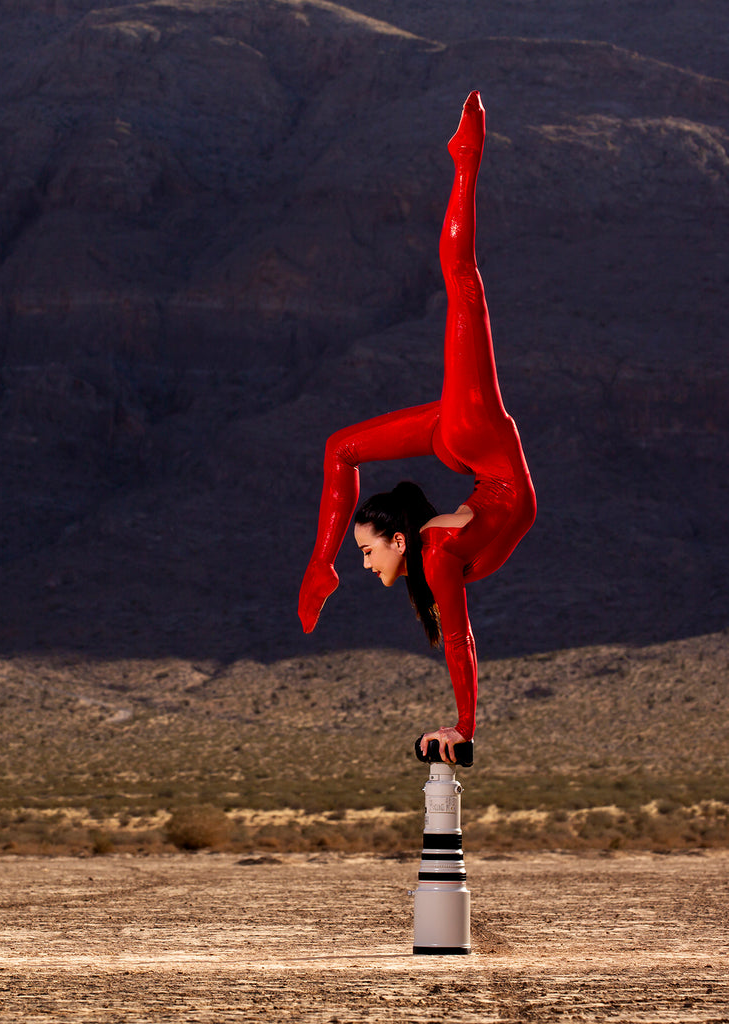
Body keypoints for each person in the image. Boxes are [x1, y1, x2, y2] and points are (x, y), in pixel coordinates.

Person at [298, 92, 536, 763]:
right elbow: (453, 623)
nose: (366, 561)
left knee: (462, 283)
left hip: (474, 441)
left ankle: (466, 161)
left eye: (363, 552)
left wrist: (464, 726)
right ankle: (313, 569)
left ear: (398, 540)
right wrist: (320, 565)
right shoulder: (432, 554)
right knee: (338, 448)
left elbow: (461, 639)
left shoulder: (433, 556)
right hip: (477, 459)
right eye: (360, 556)